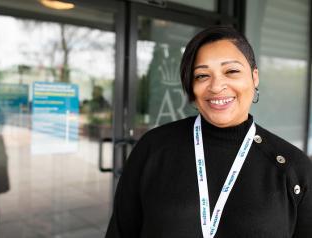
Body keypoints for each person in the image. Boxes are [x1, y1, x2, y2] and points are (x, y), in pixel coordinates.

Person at [105, 26, 312, 237]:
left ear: (254, 77)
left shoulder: (293, 168)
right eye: (202, 75)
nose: (216, 86)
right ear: (191, 87)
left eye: (231, 71)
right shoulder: (153, 148)